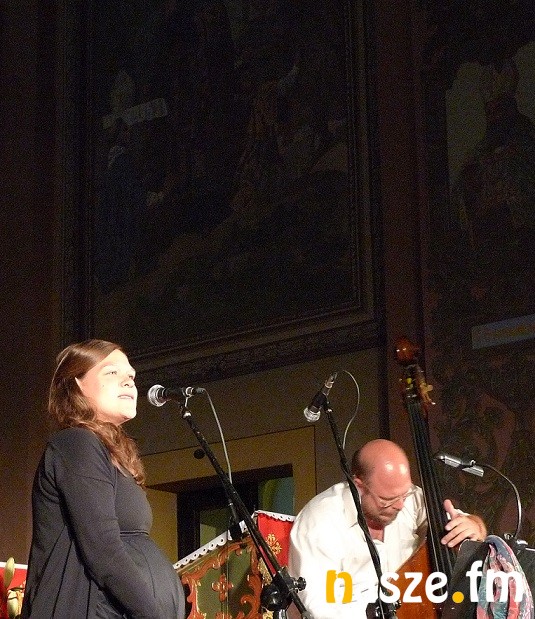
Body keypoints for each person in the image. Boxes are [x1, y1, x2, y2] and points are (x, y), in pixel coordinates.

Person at [21, 339, 186, 619]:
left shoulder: (112, 453)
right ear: (76, 384)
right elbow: (102, 549)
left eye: (131, 376)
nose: (128, 382)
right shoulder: (77, 443)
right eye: (112, 372)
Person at [288, 439, 487, 618]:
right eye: (387, 500)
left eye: (404, 495)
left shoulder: (407, 499)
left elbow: (460, 522)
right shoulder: (319, 522)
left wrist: (473, 525)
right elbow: (319, 610)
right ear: (358, 486)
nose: (400, 505)